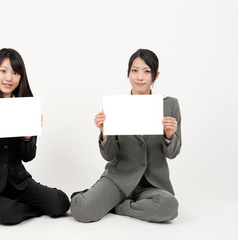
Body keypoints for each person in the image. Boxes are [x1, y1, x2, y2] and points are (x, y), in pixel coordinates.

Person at [70, 49, 182, 223]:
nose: (140, 77)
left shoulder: (170, 105)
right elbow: (109, 155)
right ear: (128, 73)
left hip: (152, 185)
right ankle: (96, 196)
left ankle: (119, 207)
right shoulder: (116, 106)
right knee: (81, 211)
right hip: (119, 179)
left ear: (156, 75)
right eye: (135, 71)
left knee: (169, 206)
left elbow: (172, 154)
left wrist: (169, 135)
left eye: (147, 71)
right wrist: (104, 132)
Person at [0, 48, 69, 225]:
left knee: (60, 203)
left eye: (15, 72)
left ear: (21, 77)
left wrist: (27, 138)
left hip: (19, 182)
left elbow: (28, 157)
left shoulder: (26, 108)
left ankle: (19, 205)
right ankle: (23, 208)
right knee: (7, 214)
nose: (9, 78)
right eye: (3, 71)